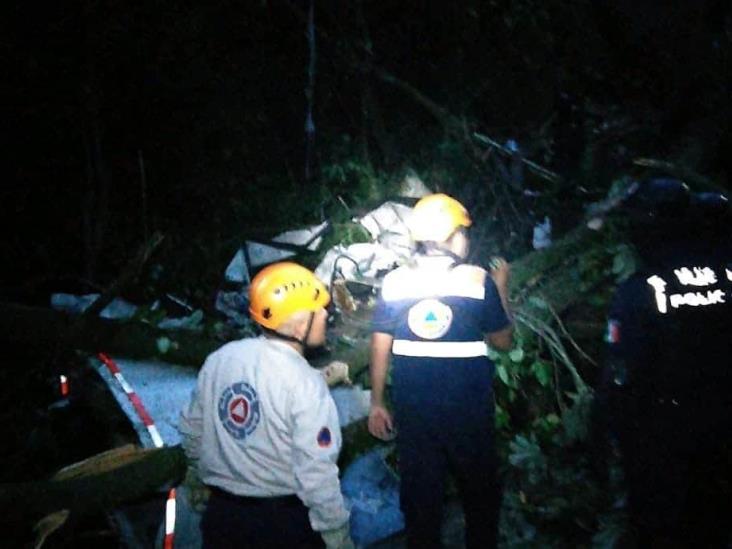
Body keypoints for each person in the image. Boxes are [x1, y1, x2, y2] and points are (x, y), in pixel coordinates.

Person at [367, 193, 514, 548]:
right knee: (480, 498)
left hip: (415, 413)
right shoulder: (479, 280)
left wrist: (376, 402)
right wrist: (502, 287)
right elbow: (504, 341)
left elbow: (380, 342)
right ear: (451, 236)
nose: (466, 239)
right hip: (468, 413)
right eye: (463, 232)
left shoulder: (395, 282)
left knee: (421, 504)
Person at [594, 178, 732, 547]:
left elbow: (621, 373)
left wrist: (607, 429)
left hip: (658, 431)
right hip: (718, 420)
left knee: (657, 525)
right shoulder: (725, 274)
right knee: (711, 517)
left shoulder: (640, 290)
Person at [179, 262, 353, 549]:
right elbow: (316, 473)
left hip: (222, 519)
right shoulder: (306, 385)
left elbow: (191, 427)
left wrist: (197, 472)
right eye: (320, 309)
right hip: (281, 526)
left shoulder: (221, 359)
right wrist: (337, 533)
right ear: (300, 325)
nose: (326, 314)